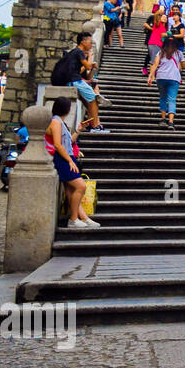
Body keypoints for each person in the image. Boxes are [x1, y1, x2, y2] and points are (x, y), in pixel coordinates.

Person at [47, 97, 97, 229]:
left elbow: (68, 143)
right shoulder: (56, 122)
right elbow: (57, 144)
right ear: (67, 109)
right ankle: (73, 219)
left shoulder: (60, 122)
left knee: (71, 190)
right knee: (80, 186)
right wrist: (69, 161)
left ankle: (83, 218)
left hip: (67, 156)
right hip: (63, 158)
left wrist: (79, 129)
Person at [63, 33, 108, 134]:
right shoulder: (79, 52)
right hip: (75, 81)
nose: (91, 44)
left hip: (73, 80)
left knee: (90, 102)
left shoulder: (74, 52)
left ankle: (93, 125)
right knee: (93, 99)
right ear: (83, 42)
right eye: (90, 42)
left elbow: (77, 70)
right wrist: (90, 58)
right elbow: (87, 67)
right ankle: (95, 126)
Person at [147, 36, 184, 129]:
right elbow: (184, 65)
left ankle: (163, 119)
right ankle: (171, 122)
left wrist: (150, 76)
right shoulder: (179, 53)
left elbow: (155, 64)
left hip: (161, 77)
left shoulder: (160, 52)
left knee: (163, 97)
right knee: (172, 99)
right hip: (174, 78)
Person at [143, 7, 166, 72]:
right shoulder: (153, 18)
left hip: (158, 41)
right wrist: (152, 29)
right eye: (161, 10)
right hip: (151, 38)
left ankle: (153, 70)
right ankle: (146, 68)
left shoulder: (162, 22)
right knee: (150, 54)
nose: (162, 11)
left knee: (154, 55)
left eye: (163, 10)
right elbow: (145, 24)